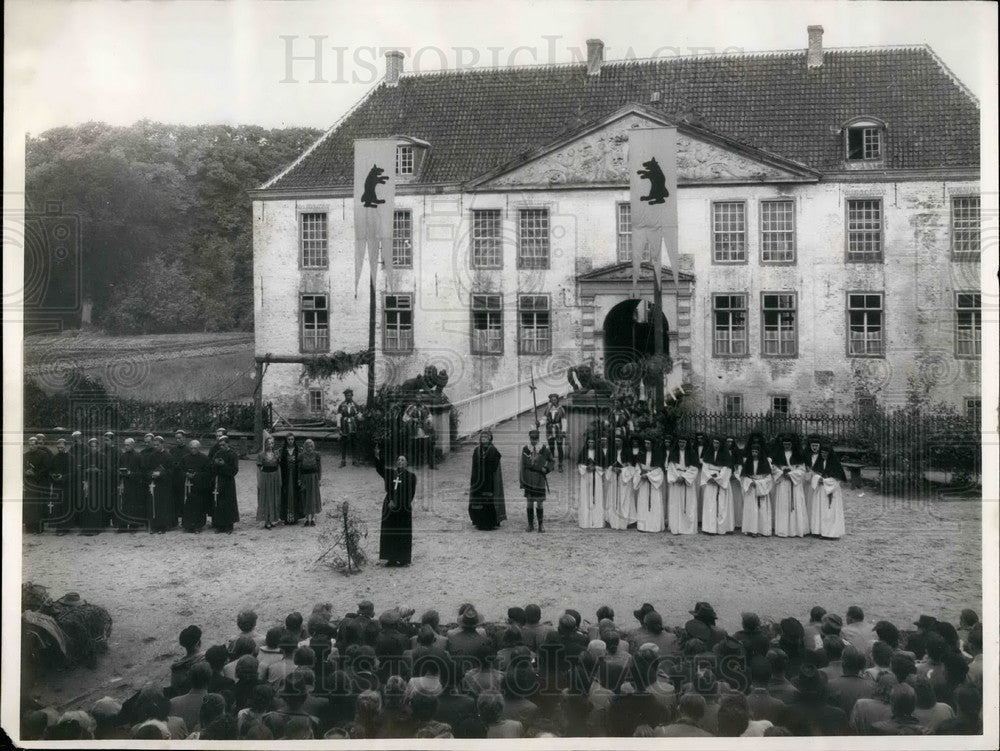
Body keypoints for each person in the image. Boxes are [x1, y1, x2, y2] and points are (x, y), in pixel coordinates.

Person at [373, 445, 415, 567]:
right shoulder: (391, 474)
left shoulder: (411, 477)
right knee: (389, 531)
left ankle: (402, 558)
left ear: (407, 463)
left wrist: (399, 504)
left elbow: (410, 494)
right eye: (398, 460)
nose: (400, 461)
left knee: (401, 532)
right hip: (389, 506)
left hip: (403, 508)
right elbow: (380, 469)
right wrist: (377, 456)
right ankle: (390, 558)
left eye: (403, 460)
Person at [468, 429, 506, 531]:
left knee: (488, 501)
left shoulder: (493, 450)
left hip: (490, 480)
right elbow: (474, 466)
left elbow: (495, 466)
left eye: (486, 437)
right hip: (478, 480)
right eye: (482, 437)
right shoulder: (477, 450)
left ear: (489, 439)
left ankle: (491, 522)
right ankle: (479, 522)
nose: (483, 439)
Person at [770, 434, 808, 538]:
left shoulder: (798, 455)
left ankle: (795, 529)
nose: (786, 446)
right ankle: (783, 530)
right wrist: (781, 473)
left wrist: (791, 474)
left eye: (788, 444)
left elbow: (802, 470)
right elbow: (773, 467)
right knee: (783, 505)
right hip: (782, 481)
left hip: (794, 483)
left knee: (795, 505)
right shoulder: (778, 454)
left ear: (792, 444)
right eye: (785, 444)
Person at [808, 440, 847, 539]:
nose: (823, 455)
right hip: (820, 490)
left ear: (829, 454)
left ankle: (831, 533)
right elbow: (814, 474)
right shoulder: (819, 462)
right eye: (822, 453)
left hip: (831, 491)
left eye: (825, 453)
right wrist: (818, 479)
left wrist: (824, 481)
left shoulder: (835, 464)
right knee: (820, 510)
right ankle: (819, 531)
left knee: (830, 512)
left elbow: (837, 479)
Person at [519, 429, 553, 533]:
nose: (533, 441)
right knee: (529, 502)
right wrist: (522, 480)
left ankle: (540, 524)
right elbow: (522, 465)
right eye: (532, 439)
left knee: (539, 502)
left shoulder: (544, 449)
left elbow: (551, 461)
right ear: (529, 438)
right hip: (529, 478)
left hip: (539, 479)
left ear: (538, 438)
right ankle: (530, 524)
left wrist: (546, 469)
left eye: (535, 439)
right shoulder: (525, 449)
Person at [700, 436, 733, 535]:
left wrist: (718, 479)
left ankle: (722, 528)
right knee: (710, 504)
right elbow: (705, 467)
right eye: (714, 443)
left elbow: (727, 469)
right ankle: (710, 528)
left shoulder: (726, 455)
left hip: (721, 482)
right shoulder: (708, 454)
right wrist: (710, 478)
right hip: (711, 482)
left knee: (722, 505)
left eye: (717, 443)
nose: (716, 445)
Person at [666, 436, 698, 535]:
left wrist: (684, 477)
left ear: (687, 443)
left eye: (683, 442)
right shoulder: (673, 452)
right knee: (675, 504)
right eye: (680, 442)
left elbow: (694, 468)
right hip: (676, 481)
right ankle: (675, 527)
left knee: (687, 504)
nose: (681, 444)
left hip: (686, 481)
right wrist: (677, 477)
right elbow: (671, 466)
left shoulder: (692, 453)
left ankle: (686, 528)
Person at [631, 437, 664, 532]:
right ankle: (642, 526)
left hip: (653, 482)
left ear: (652, 445)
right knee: (643, 502)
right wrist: (641, 474)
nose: (646, 445)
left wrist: (649, 475)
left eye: (648, 444)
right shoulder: (641, 454)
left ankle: (654, 526)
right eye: (645, 443)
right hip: (644, 483)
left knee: (654, 502)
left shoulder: (657, 455)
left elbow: (659, 470)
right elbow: (637, 468)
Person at [143, 436, 174, 534]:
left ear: (162, 444)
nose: (156, 447)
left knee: (163, 506)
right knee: (153, 506)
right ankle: (154, 526)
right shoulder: (152, 456)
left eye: (158, 445)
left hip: (164, 485)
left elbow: (171, 471)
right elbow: (147, 469)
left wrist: (161, 474)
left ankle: (163, 527)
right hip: (154, 484)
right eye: (155, 445)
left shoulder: (168, 456)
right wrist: (152, 474)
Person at [210, 434, 239, 533]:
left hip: (228, 481)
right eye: (220, 445)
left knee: (229, 502)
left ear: (227, 444)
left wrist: (224, 465)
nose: (221, 447)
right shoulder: (218, 453)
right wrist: (215, 464)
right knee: (219, 502)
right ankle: (220, 525)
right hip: (219, 481)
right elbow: (212, 466)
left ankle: (229, 525)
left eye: (223, 445)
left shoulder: (233, 454)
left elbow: (234, 470)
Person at [181, 440, 212, 533]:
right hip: (188, 486)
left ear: (199, 448)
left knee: (199, 506)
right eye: (191, 448)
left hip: (199, 487)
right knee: (188, 507)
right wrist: (186, 474)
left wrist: (196, 475)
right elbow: (180, 470)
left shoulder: (204, 458)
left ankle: (198, 526)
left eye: (195, 448)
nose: (193, 450)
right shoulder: (185, 458)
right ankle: (188, 525)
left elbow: (207, 473)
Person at [606, 433, 635, 530]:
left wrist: (622, 470)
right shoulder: (611, 452)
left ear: (623, 442)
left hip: (624, 480)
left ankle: (625, 521)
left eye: (619, 441)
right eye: (616, 441)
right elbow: (608, 466)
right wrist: (613, 469)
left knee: (625, 499)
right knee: (614, 498)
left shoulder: (627, 452)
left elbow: (631, 468)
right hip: (614, 478)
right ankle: (613, 520)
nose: (617, 443)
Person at [576, 436, 606, 529]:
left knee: (596, 496)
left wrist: (595, 467)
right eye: (589, 442)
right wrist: (586, 467)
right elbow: (580, 464)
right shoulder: (583, 452)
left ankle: (597, 521)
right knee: (586, 497)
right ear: (587, 443)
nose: (591, 444)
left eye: (592, 442)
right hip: (586, 476)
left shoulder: (599, 453)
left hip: (596, 476)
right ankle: (586, 521)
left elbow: (603, 466)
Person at [78, 438, 107, 535]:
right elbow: (81, 470)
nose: (93, 448)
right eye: (91, 446)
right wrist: (87, 471)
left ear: (98, 447)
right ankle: (87, 527)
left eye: (95, 446)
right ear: (89, 447)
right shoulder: (85, 457)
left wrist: (98, 471)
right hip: (88, 483)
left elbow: (107, 471)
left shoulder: (102, 456)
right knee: (87, 505)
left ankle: (97, 527)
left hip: (98, 484)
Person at [23, 435, 51, 534]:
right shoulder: (25, 455)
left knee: (38, 506)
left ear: (36, 445)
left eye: (33, 445)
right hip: (29, 483)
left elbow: (46, 468)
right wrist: (26, 472)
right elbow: (22, 467)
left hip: (39, 483)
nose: (31, 447)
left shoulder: (43, 455)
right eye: (29, 445)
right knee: (29, 505)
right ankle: (29, 528)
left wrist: (35, 474)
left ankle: (38, 528)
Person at [47, 438, 75, 533]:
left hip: (66, 486)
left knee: (65, 507)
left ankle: (65, 527)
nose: (59, 449)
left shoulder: (71, 457)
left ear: (66, 446)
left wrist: (63, 477)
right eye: (58, 447)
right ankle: (59, 527)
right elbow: (50, 470)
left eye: (61, 447)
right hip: (57, 486)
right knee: (58, 507)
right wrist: (53, 476)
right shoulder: (54, 458)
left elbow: (74, 472)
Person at [117, 438, 145, 531]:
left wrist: (131, 474)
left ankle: (133, 526)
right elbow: (118, 468)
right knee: (124, 505)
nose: (125, 447)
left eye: (127, 445)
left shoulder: (138, 456)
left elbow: (142, 472)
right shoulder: (122, 456)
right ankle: (123, 525)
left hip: (135, 484)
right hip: (125, 484)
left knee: (133, 505)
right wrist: (120, 474)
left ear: (133, 445)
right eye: (125, 445)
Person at [256, 436, 282, 529]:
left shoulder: (276, 454)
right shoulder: (261, 455)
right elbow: (259, 469)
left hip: (274, 477)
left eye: (272, 443)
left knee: (273, 497)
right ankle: (266, 520)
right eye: (268, 443)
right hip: (265, 477)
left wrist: (279, 479)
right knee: (266, 498)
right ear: (265, 444)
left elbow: (278, 467)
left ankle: (272, 519)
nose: (270, 445)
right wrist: (259, 480)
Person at [278, 434, 302, 525]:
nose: (290, 441)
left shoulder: (297, 450)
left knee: (295, 495)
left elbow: (300, 465)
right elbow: (281, 465)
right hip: (286, 477)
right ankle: (286, 518)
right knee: (286, 495)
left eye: (292, 439)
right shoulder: (283, 451)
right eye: (289, 439)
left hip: (295, 476)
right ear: (286, 440)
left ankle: (295, 517)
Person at [298, 438, 322, 527]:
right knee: (305, 496)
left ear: (313, 446)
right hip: (305, 478)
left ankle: (313, 517)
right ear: (305, 446)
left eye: (311, 446)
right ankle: (306, 517)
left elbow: (319, 468)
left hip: (313, 478)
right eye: (307, 446)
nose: (309, 447)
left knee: (313, 497)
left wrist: (319, 479)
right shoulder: (301, 456)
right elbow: (299, 469)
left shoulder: (317, 455)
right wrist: (299, 479)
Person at [337, 389, 362, 467]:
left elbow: (359, 415)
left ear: (352, 395)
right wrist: (339, 427)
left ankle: (354, 460)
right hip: (344, 426)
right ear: (345, 396)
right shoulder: (341, 405)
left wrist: (359, 418)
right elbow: (338, 416)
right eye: (347, 395)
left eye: (350, 395)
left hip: (353, 425)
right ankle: (343, 460)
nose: (348, 396)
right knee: (344, 443)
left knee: (353, 443)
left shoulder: (355, 405)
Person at [168, 430, 188, 528]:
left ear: (184, 438)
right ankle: (174, 520)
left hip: (184, 478)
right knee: (174, 500)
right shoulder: (172, 450)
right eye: (176, 438)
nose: (178, 440)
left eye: (180, 438)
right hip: (174, 478)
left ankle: (185, 520)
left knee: (184, 499)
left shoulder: (189, 450)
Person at [543, 393, 567, 472]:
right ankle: (552, 463)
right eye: (552, 400)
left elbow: (564, 420)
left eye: (555, 399)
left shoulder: (561, 409)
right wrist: (539, 423)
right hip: (550, 430)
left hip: (558, 430)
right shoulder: (547, 409)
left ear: (557, 400)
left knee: (559, 448)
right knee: (551, 448)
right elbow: (544, 419)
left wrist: (563, 431)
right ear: (550, 400)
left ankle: (560, 465)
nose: (553, 401)